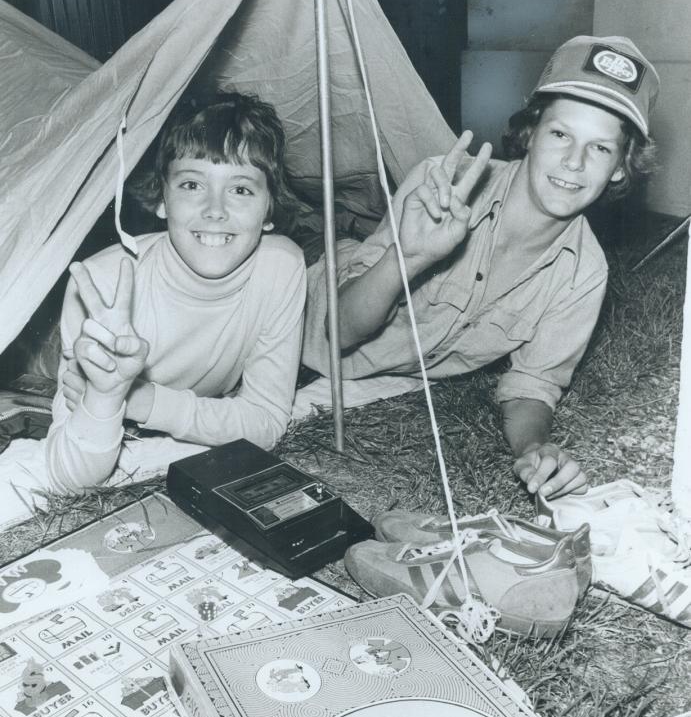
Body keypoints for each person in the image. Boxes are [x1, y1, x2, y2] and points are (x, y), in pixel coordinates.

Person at [302, 36, 659, 501]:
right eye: (560, 134)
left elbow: (534, 383)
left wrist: (534, 448)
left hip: (384, 371)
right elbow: (341, 331)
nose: (574, 162)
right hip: (301, 297)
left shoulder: (584, 273)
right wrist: (410, 258)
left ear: (619, 167)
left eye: (600, 148)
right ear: (530, 133)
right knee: (293, 232)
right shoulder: (448, 186)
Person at [46, 93, 306, 493]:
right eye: (191, 184)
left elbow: (267, 422)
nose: (214, 209)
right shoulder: (99, 284)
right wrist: (104, 394)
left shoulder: (281, 268)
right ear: (162, 199)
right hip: (44, 345)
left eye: (241, 190)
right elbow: (70, 477)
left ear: (269, 208)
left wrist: (140, 400)